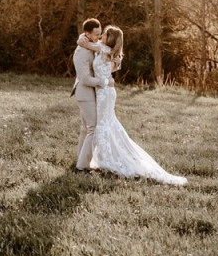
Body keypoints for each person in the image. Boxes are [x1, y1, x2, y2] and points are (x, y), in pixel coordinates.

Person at [78, 25, 187, 185]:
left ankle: (108, 159)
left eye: (105, 34)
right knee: (106, 123)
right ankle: (106, 156)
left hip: (105, 93)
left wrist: (85, 37)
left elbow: (83, 43)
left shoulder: (103, 49)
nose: (102, 36)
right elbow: (113, 67)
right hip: (106, 92)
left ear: (110, 39)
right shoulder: (111, 53)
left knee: (103, 124)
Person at [71, 18, 112, 171]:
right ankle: (82, 166)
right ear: (86, 34)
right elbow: (84, 78)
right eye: (96, 35)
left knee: (85, 128)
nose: (99, 38)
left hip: (90, 93)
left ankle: (79, 159)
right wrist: (103, 82)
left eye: (100, 34)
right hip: (84, 93)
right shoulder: (81, 51)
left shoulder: (90, 45)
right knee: (93, 128)